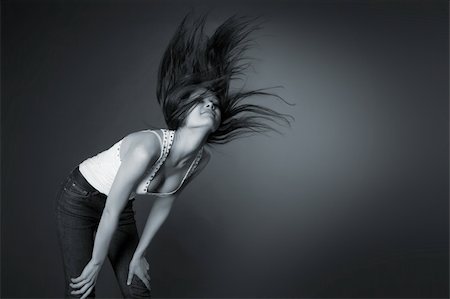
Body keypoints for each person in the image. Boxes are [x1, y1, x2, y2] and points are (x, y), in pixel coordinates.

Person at [54, 12, 294, 299]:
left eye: (214, 104)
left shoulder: (199, 160)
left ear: (218, 122)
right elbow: (110, 210)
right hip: (79, 199)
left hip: (119, 211)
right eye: (200, 101)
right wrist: (96, 262)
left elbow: (165, 203)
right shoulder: (147, 148)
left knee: (137, 289)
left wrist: (139, 254)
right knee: (82, 291)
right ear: (182, 111)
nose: (210, 106)